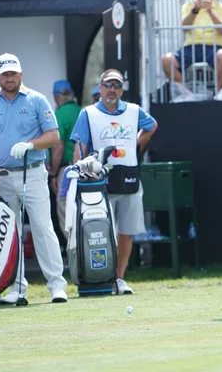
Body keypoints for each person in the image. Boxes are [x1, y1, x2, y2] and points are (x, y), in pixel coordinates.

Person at [0, 53, 67, 304]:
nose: (10, 78)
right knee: (9, 233)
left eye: (13, 73)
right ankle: (17, 288)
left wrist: (30, 144)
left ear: (21, 74)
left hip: (34, 172)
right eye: (5, 74)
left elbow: (53, 136)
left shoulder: (37, 100)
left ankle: (56, 285)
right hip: (3, 176)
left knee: (42, 228)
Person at [70, 69, 158, 295]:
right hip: (99, 182)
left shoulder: (133, 110)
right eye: (108, 85)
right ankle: (101, 276)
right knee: (100, 230)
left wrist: (137, 148)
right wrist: (80, 171)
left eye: (117, 86)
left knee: (126, 232)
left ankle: (119, 278)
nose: (112, 90)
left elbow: (151, 127)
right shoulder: (88, 113)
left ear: (122, 90)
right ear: (100, 88)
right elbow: (79, 147)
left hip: (129, 177)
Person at [161, 0, 222, 102]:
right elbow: (184, 28)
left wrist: (211, 11)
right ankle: (185, 94)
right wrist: (195, 9)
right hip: (191, 47)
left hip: (213, 47)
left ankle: (220, 94)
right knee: (167, 60)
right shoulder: (188, 7)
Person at [49, 80, 81, 246]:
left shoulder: (59, 114)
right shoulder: (81, 110)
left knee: (65, 210)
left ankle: (73, 250)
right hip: (84, 169)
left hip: (66, 170)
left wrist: (53, 174)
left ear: (56, 96)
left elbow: (58, 147)